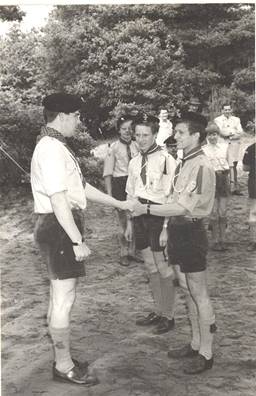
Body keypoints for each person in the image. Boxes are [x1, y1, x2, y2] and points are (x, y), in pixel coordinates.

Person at [31, 93, 134, 386]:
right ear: (62, 116)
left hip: (60, 223)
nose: (79, 121)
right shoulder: (50, 148)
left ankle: (62, 360)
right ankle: (63, 366)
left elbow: (81, 187)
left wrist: (120, 204)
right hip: (59, 225)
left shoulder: (57, 146)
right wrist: (77, 240)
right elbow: (59, 199)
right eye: (77, 115)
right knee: (63, 298)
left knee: (60, 296)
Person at [133, 112, 217, 374]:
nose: (176, 137)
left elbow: (182, 206)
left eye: (180, 133)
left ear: (195, 135)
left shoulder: (201, 165)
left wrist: (146, 209)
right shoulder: (183, 163)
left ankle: (207, 353)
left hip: (192, 232)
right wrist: (167, 228)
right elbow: (174, 199)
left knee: (199, 292)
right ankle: (194, 344)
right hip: (179, 231)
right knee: (185, 288)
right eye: (176, 132)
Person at [125, 112, 177, 335]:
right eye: (137, 134)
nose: (141, 139)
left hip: (158, 215)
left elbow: (172, 197)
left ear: (155, 134)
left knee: (163, 267)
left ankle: (169, 315)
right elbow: (130, 194)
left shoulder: (167, 159)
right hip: (139, 216)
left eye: (146, 134)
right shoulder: (135, 161)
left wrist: (166, 227)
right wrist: (129, 224)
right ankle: (158, 310)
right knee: (149, 266)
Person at [103, 115, 143, 267]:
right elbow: (108, 173)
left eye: (129, 129)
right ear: (118, 131)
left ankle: (133, 251)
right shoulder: (113, 148)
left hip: (135, 184)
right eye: (124, 129)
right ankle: (123, 252)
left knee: (134, 219)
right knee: (123, 221)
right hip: (120, 184)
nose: (127, 132)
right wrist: (109, 195)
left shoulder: (137, 146)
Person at [203, 123, 231, 251]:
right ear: (207, 136)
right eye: (210, 134)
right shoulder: (203, 149)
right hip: (211, 179)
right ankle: (214, 240)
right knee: (213, 213)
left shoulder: (225, 147)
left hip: (223, 178)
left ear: (218, 135)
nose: (212, 137)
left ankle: (223, 239)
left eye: (214, 134)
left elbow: (229, 165)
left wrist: (229, 182)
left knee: (223, 211)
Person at [214, 104, 243, 195]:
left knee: (234, 165)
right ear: (222, 110)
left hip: (234, 145)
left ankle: (234, 188)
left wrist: (229, 135)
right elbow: (221, 132)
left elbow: (240, 132)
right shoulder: (218, 120)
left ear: (231, 110)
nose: (227, 111)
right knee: (223, 165)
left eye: (229, 109)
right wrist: (233, 132)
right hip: (223, 145)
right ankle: (223, 187)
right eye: (225, 110)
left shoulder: (236, 119)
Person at [242, 142, 256, 251]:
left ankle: (253, 241)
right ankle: (253, 240)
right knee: (253, 212)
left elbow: (246, 168)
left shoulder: (251, 148)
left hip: (254, 181)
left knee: (254, 211)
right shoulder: (251, 149)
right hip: (254, 182)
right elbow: (245, 167)